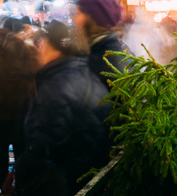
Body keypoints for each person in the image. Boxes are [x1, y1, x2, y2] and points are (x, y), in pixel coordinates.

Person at [17, 21, 110, 196]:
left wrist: (21, 171)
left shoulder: (55, 87)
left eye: (40, 44)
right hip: (85, 174)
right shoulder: (85, 73)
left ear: (45, 44)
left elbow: (43, 146)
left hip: (64, 182)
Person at [0, 17, 37, 194]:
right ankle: (20, 184)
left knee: (0, 149)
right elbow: (33, 74)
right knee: (20, 149)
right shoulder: (26, 49)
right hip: (21, 108)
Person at [73, 0, 129, 87]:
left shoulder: (107, 58)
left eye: (78, 13)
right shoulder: (100, 50)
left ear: (92, 18)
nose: (74, 19)